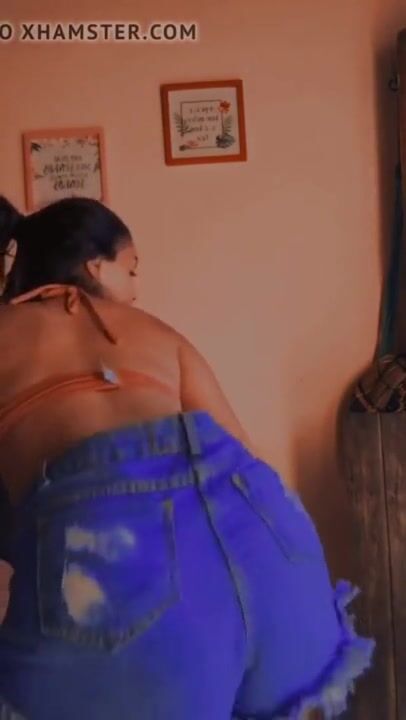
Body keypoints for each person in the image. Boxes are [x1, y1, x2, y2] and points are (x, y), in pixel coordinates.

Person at [0, 195, 373, 720]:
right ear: (94, 268)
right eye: (132, 269)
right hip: (272, 549)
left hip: (115, 570)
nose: (137, 287)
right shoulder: (153, 330)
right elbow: (244, 452)